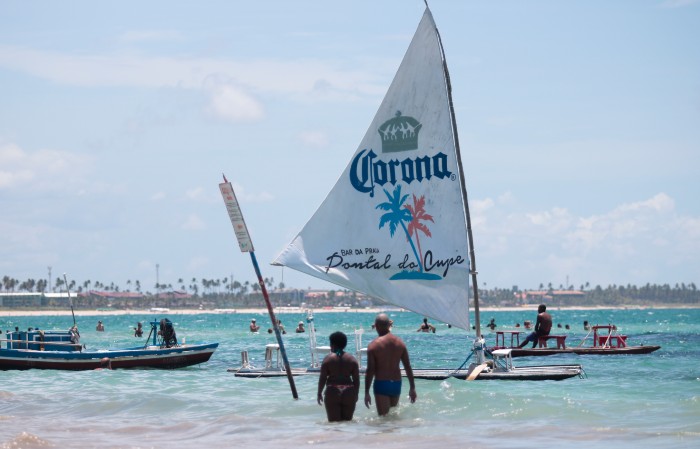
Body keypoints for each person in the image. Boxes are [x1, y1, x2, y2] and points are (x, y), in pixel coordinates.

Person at [364, 313, 417, 416]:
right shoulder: (400, 343)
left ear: (376, 326)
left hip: (382, 383)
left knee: (383, 419)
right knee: (393, 418)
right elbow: (408, 366)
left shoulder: (373, 346)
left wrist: (366, 392)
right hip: (396, 384)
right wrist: (412, 388)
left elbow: (370, 370)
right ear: (389, 325)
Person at [317, 331, 360, 422]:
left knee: (334, 425)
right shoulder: (352, 360)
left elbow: (323, 378)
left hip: (333, 390)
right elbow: (356, 379)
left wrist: (319, 392)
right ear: (345, 344)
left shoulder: (327, 359)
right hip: (349, 390)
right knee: (348, 423)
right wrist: (356, 393)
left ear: (332, 344)